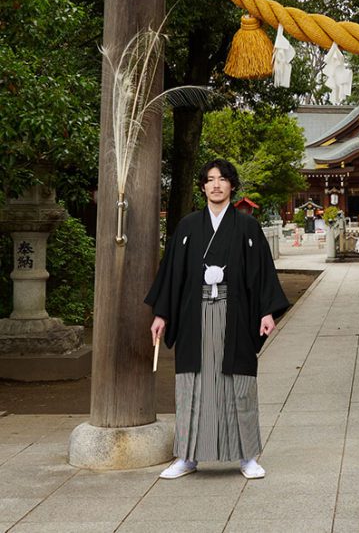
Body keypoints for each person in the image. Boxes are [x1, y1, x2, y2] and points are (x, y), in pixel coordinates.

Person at [146, 159, 289, 479]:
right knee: (192, 385)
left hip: (234, 314)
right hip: (194, 315)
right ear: (202, 187)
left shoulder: (247, 228)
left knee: (238, 385)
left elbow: (261, 272)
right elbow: (172, 274)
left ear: (232, 186)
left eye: (222, 179)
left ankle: (247, 456)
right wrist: (162, 313)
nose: (216, 185)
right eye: (210, 180)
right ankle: (187, 456)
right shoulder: (187, 227)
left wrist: (266, 311)